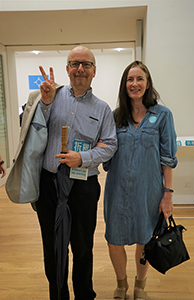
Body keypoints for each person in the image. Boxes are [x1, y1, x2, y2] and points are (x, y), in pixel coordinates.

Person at [6, 46, 117, 300]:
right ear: (67, 69)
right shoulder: (49, 96)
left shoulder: (102, 109)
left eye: (86, 64)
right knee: (53, 248)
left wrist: (84, 158)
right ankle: (58, 294)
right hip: (49, 186)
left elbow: (110, 144)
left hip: (83, 188)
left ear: (94, 71)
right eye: (75, 63)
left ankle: (83, 294)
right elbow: (27, 128)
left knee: (82, 248)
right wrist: (44, 106)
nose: (80, 69)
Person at [103, 61, 177, 300]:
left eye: (139, 79)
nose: (134, 84)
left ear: (147, 83)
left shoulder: (163, 116)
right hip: (117, 190)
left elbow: (168, 158)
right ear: (124, 85)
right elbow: (106, 154)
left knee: (145, 239)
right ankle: (121, 284)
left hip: (149, 191)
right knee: (114, 239)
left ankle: (140, 287)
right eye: (130, 79)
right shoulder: (116, 117)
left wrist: (167, 194)